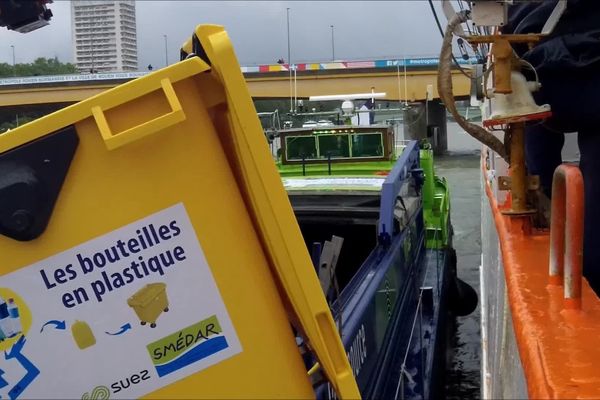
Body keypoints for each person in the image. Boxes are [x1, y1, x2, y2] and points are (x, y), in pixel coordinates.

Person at [504, 0, 600, 294]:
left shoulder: (520, 15)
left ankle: (543, 199)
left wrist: (542, 185)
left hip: (546, 79)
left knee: (533, 118)